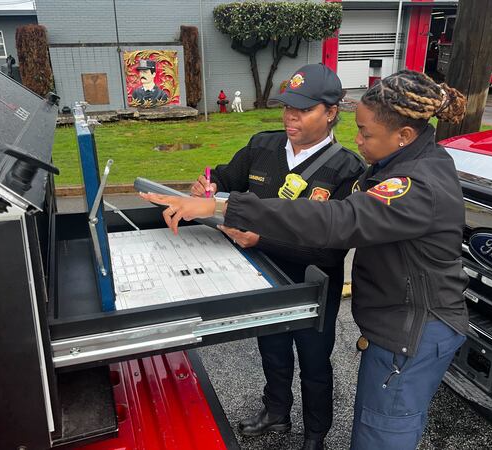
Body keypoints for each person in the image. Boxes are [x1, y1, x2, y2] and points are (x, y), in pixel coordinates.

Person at [141, 69, 469, 450]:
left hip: (413, 328)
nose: (358, 140)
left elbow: (339, 220)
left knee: (383, 430)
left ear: (404, 136)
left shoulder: (415, 183)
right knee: (372, 419)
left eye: (366, 133)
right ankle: (277, 410)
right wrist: (216, 193)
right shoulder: (395, 163)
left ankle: (316, 434)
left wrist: (224, 207)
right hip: (395, 322)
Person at [190, 63, 365, 450]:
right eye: (288, 106)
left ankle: (316, 432)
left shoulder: (347, 168)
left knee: (315, 360)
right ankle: (276, 412)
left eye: (303, 109)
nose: (290, 116)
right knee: (271, 347)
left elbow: (334, 249)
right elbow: (224, 177)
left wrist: (260, 238)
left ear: (331, 112)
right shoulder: (262, 146)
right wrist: (209, 183)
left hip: (313, 283)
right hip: (262, 276)